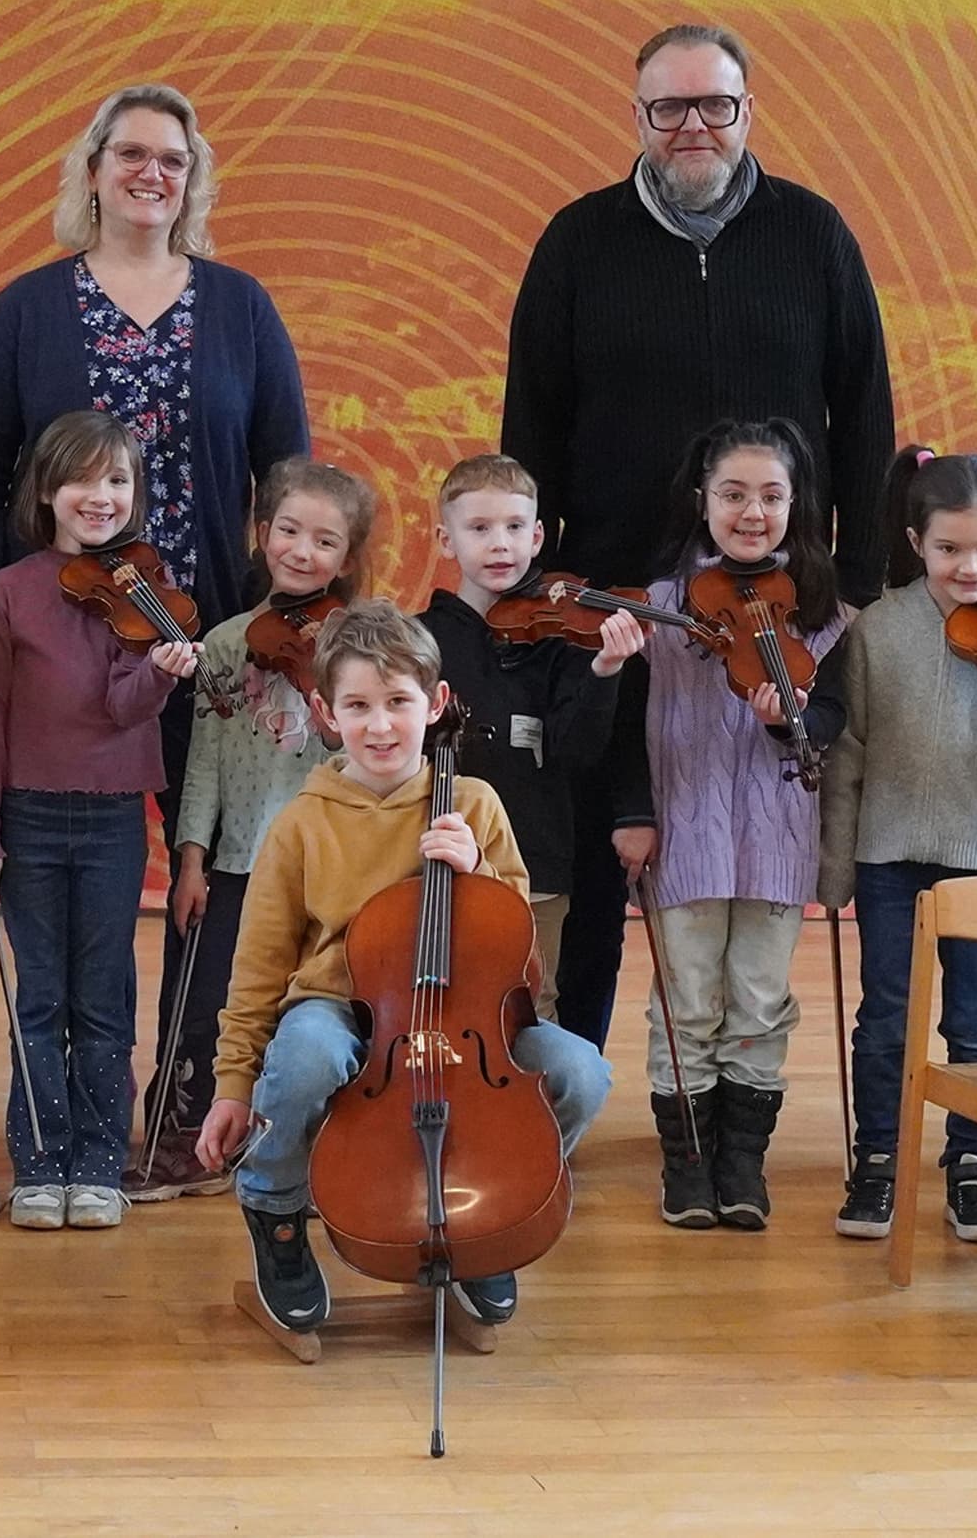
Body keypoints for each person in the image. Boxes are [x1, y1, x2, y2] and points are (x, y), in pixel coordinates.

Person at [504, 22, 900, 1051]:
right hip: (617, 601)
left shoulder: (813, 234)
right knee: (604, 852)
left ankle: (737, 1085)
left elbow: (863, 415)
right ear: (637, 117)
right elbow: (530, 421)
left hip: (780, 600)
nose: (692, 125)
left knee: (751, 844)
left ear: (746, 112)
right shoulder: (577, 242)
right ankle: (568, 1082)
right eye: (668, 107)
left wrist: (851, 584)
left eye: (713, 104)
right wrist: (547, 582)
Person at [197, 600, 614, 1332]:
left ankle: (491, 1205)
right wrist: (234, 1084)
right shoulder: (303, 821)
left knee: (583, 1072)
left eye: (398, 702)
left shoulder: (475, 804)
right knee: (304, 1057)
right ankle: (277, 1209)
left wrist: (477, 871)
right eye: (358, 705)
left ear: (437, 702)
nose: (381, 724)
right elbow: (258, 968)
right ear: (327, 712)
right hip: (340, 1007)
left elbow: (521, 951)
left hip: (468, 1013)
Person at [815, 449, 977, 1243]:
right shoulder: (877, 629)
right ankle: (878, 1160)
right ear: (916, 539)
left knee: (976, 1024)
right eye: (951, 548)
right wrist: (835, 866)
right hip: (889, 855)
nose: (972, 565)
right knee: (885, 1015)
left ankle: (970, 1159)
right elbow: (848, 750)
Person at [0, 84, 311, 635]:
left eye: (173, 161)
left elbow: (289, 475)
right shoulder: (26, 308)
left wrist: (267, 603)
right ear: (94, 170)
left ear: (189, 183)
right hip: (57, 634)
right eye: (132, 155)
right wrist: (5, 598)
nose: (152, 173)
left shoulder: (242, 306)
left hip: (209, 626)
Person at [0, 410, 199, 1231]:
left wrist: (163, 673)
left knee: (103, 995)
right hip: (27, 815)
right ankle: (38, 1163)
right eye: (83, 480)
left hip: (110, 821)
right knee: (39, 999)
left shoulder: (141, 582)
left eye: (119, 481)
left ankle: (98, 1160)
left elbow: (120, 708)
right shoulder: (8, 590)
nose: (100, 497)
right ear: (47, 491)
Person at [620, 420, 851, 1233]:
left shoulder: (823, 615)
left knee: (758, 1000)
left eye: (771, 495)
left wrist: (791, 722)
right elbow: (621, 725)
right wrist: (633, 815)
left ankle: (742, 1164)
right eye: (733, 494)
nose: (752, 512)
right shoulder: (658, 610)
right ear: (702, 500)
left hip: (778, 835)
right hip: (682, 832)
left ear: (796, 503)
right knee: (686, 1003)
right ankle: (686, 1167)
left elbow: (830, 717)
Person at [137, 458, 378, 1199]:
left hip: (326, 864)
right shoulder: (226, 642)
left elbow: (370, 758)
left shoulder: (357, 646)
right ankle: (184, 1137)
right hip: (238, 857)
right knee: (206, 994)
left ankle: (301, 1142)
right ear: (261, 533)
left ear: (348, 557)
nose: (303, 552)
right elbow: (203, 761)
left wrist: (322, 694)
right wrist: (190, 859)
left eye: (325, 541)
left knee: (309, 1005)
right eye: (289, 531)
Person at [412, 455, 647, 1020]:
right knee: (436, 1000)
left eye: (515, 527)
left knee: (530, 1004)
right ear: (446, 540)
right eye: (480, 528)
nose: (500, 544)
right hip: (431, 858)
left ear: (538, 536)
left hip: (535, 859)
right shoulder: (418, 640)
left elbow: (577, 751)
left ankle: (524, 1110)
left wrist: (604, 671)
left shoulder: (561, 643)